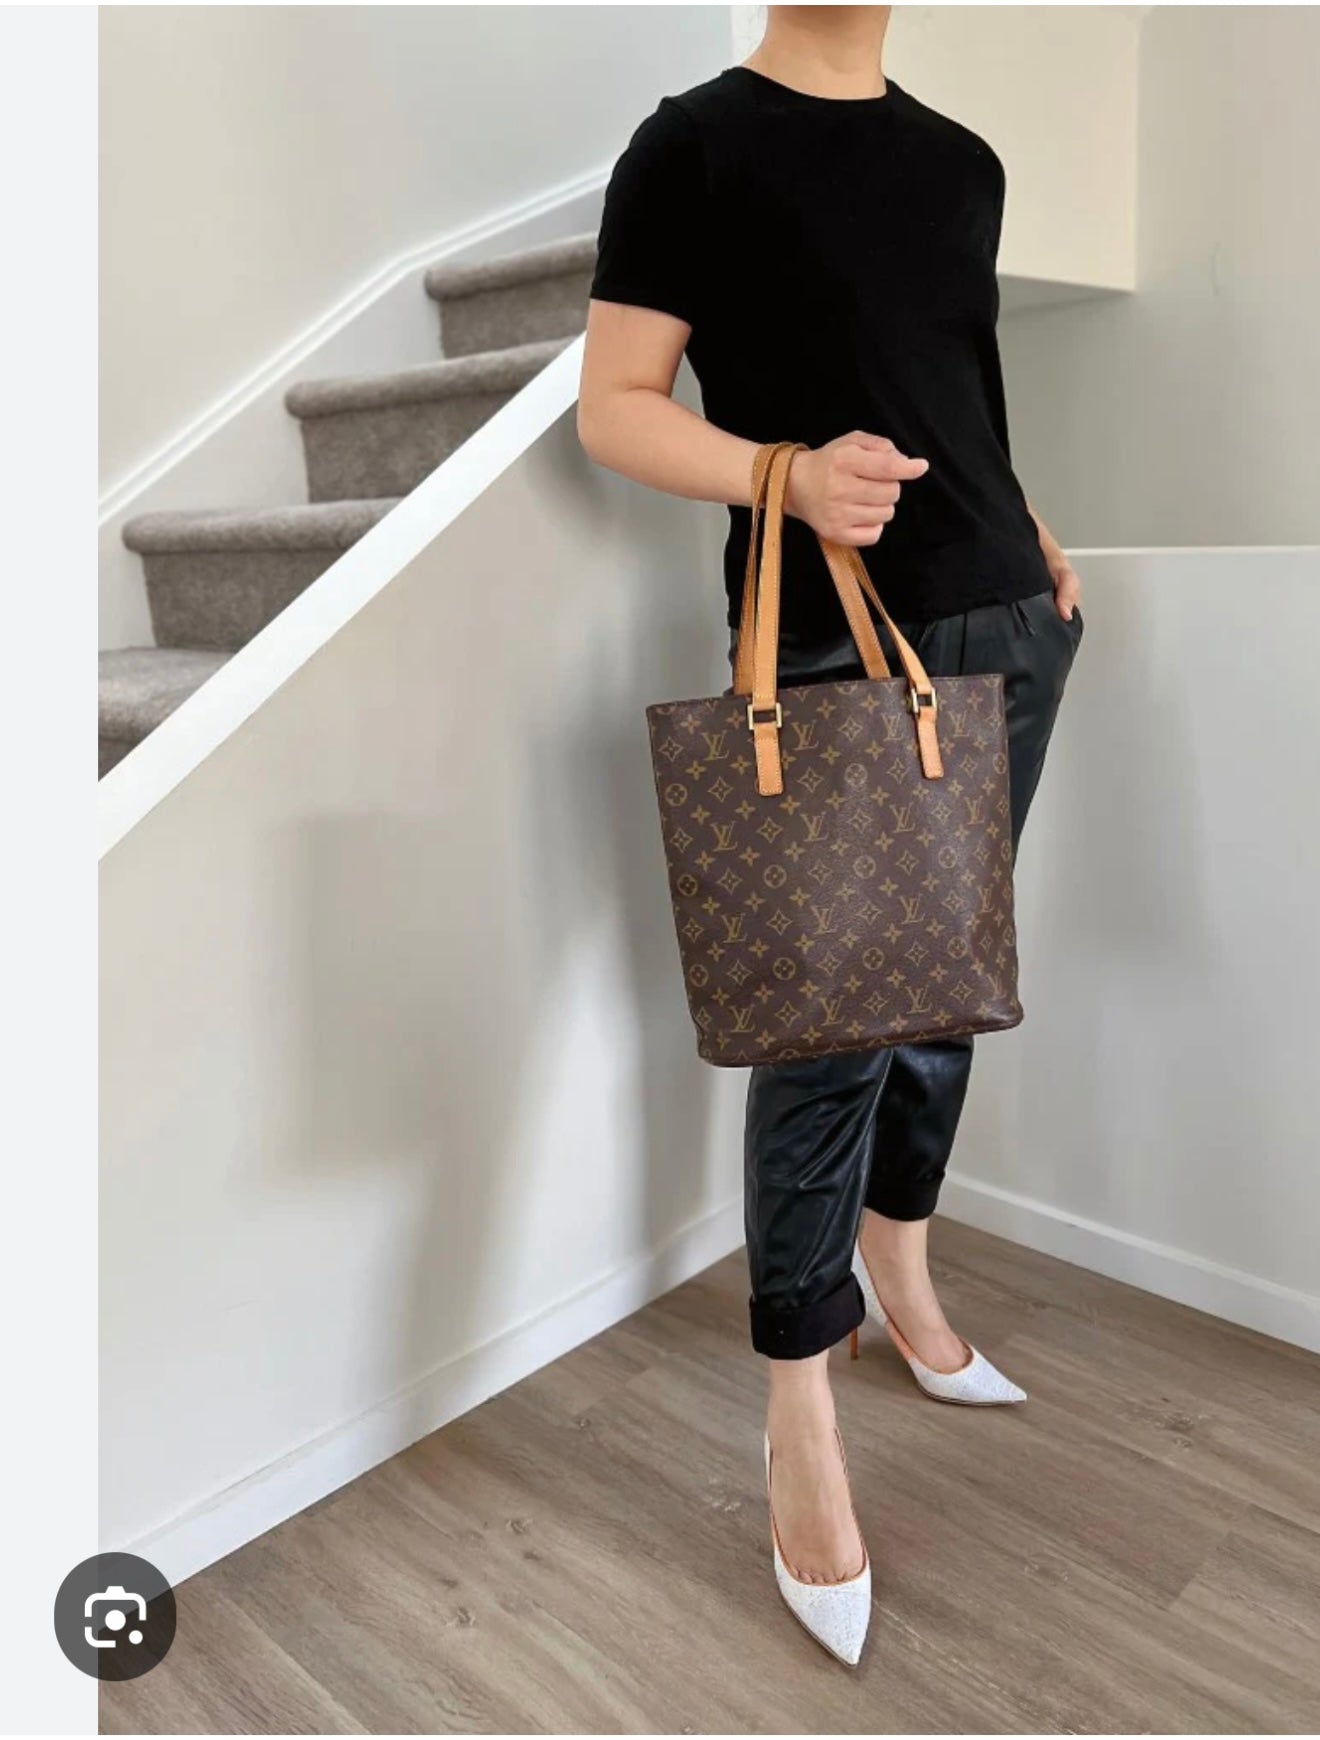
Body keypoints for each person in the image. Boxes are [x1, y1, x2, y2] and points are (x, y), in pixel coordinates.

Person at [577, 5, 1082, 1667]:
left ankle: (904, 1270)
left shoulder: (962, 163)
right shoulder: (696, 144)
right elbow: (615, 406)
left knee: (947, 988)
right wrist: (780, 475)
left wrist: (1035, 533)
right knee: (828, 1039)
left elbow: (955, 392)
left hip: (1010, 624)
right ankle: (800, 1404)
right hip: (830, 644)